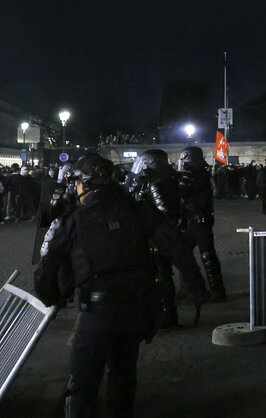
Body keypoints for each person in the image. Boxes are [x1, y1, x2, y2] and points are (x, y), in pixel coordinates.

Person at [33, 154, 160, 417]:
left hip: (96, 311)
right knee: (123, 377)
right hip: (133, 305)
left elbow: (50, 259)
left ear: (87, 183)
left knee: (84, 382)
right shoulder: (131, 208)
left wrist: (51, 295)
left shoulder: (78, 216)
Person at [129, 149, 210, 327]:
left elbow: (163, 209)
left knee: (161, 276)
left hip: (158, 235)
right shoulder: (169, 177)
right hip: (164, 233)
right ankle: (168, 311)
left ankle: (168, 314)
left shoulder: (155, 180)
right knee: (163, 275)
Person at [177, 147, 227, 301]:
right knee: (197, 254)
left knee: (204, 255)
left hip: (196, 219)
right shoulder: (202, 173)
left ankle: (211, 290)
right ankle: (207, 289)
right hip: (200, 218)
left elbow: (181, 193)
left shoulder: (191, 174)